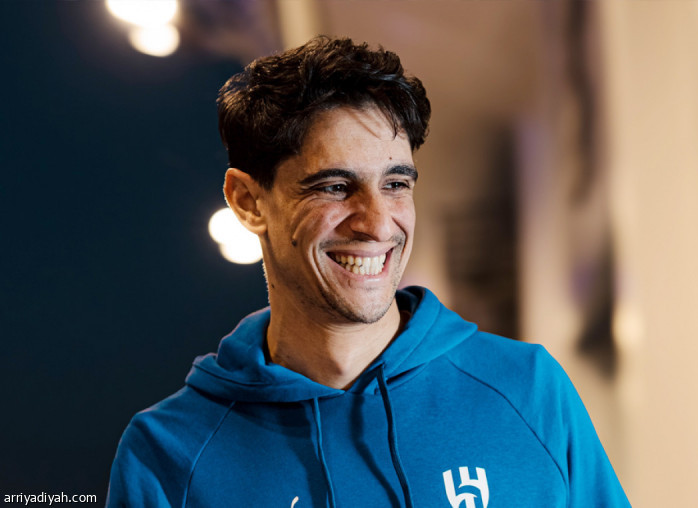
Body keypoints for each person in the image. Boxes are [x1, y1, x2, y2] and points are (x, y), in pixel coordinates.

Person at [106, 36, 629, 508]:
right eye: (334, 187)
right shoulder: (170, 455)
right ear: (248, 201)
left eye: (396, 184)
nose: (378, 223)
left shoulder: (527, 390)